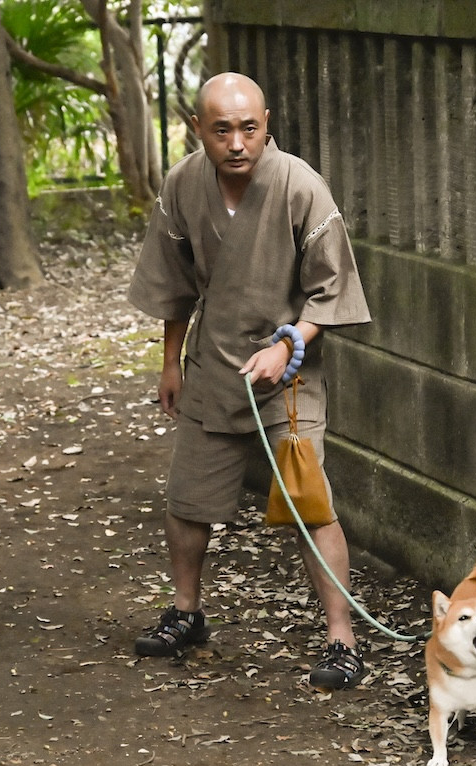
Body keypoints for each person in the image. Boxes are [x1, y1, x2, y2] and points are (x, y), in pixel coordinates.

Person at [127, 72, 372, 689]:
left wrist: (287, 344)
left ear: (267, 125)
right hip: (214, 366)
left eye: (249, 128)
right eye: (222, 130)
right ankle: (186, 612)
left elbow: (330, 293)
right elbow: (175, 285)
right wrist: (170, 363)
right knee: (187, 501)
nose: (237, 143)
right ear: (197, 129)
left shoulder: (299, 185)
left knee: (310, 504)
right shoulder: (183, 184)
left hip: (288, 377)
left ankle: (342, 637)